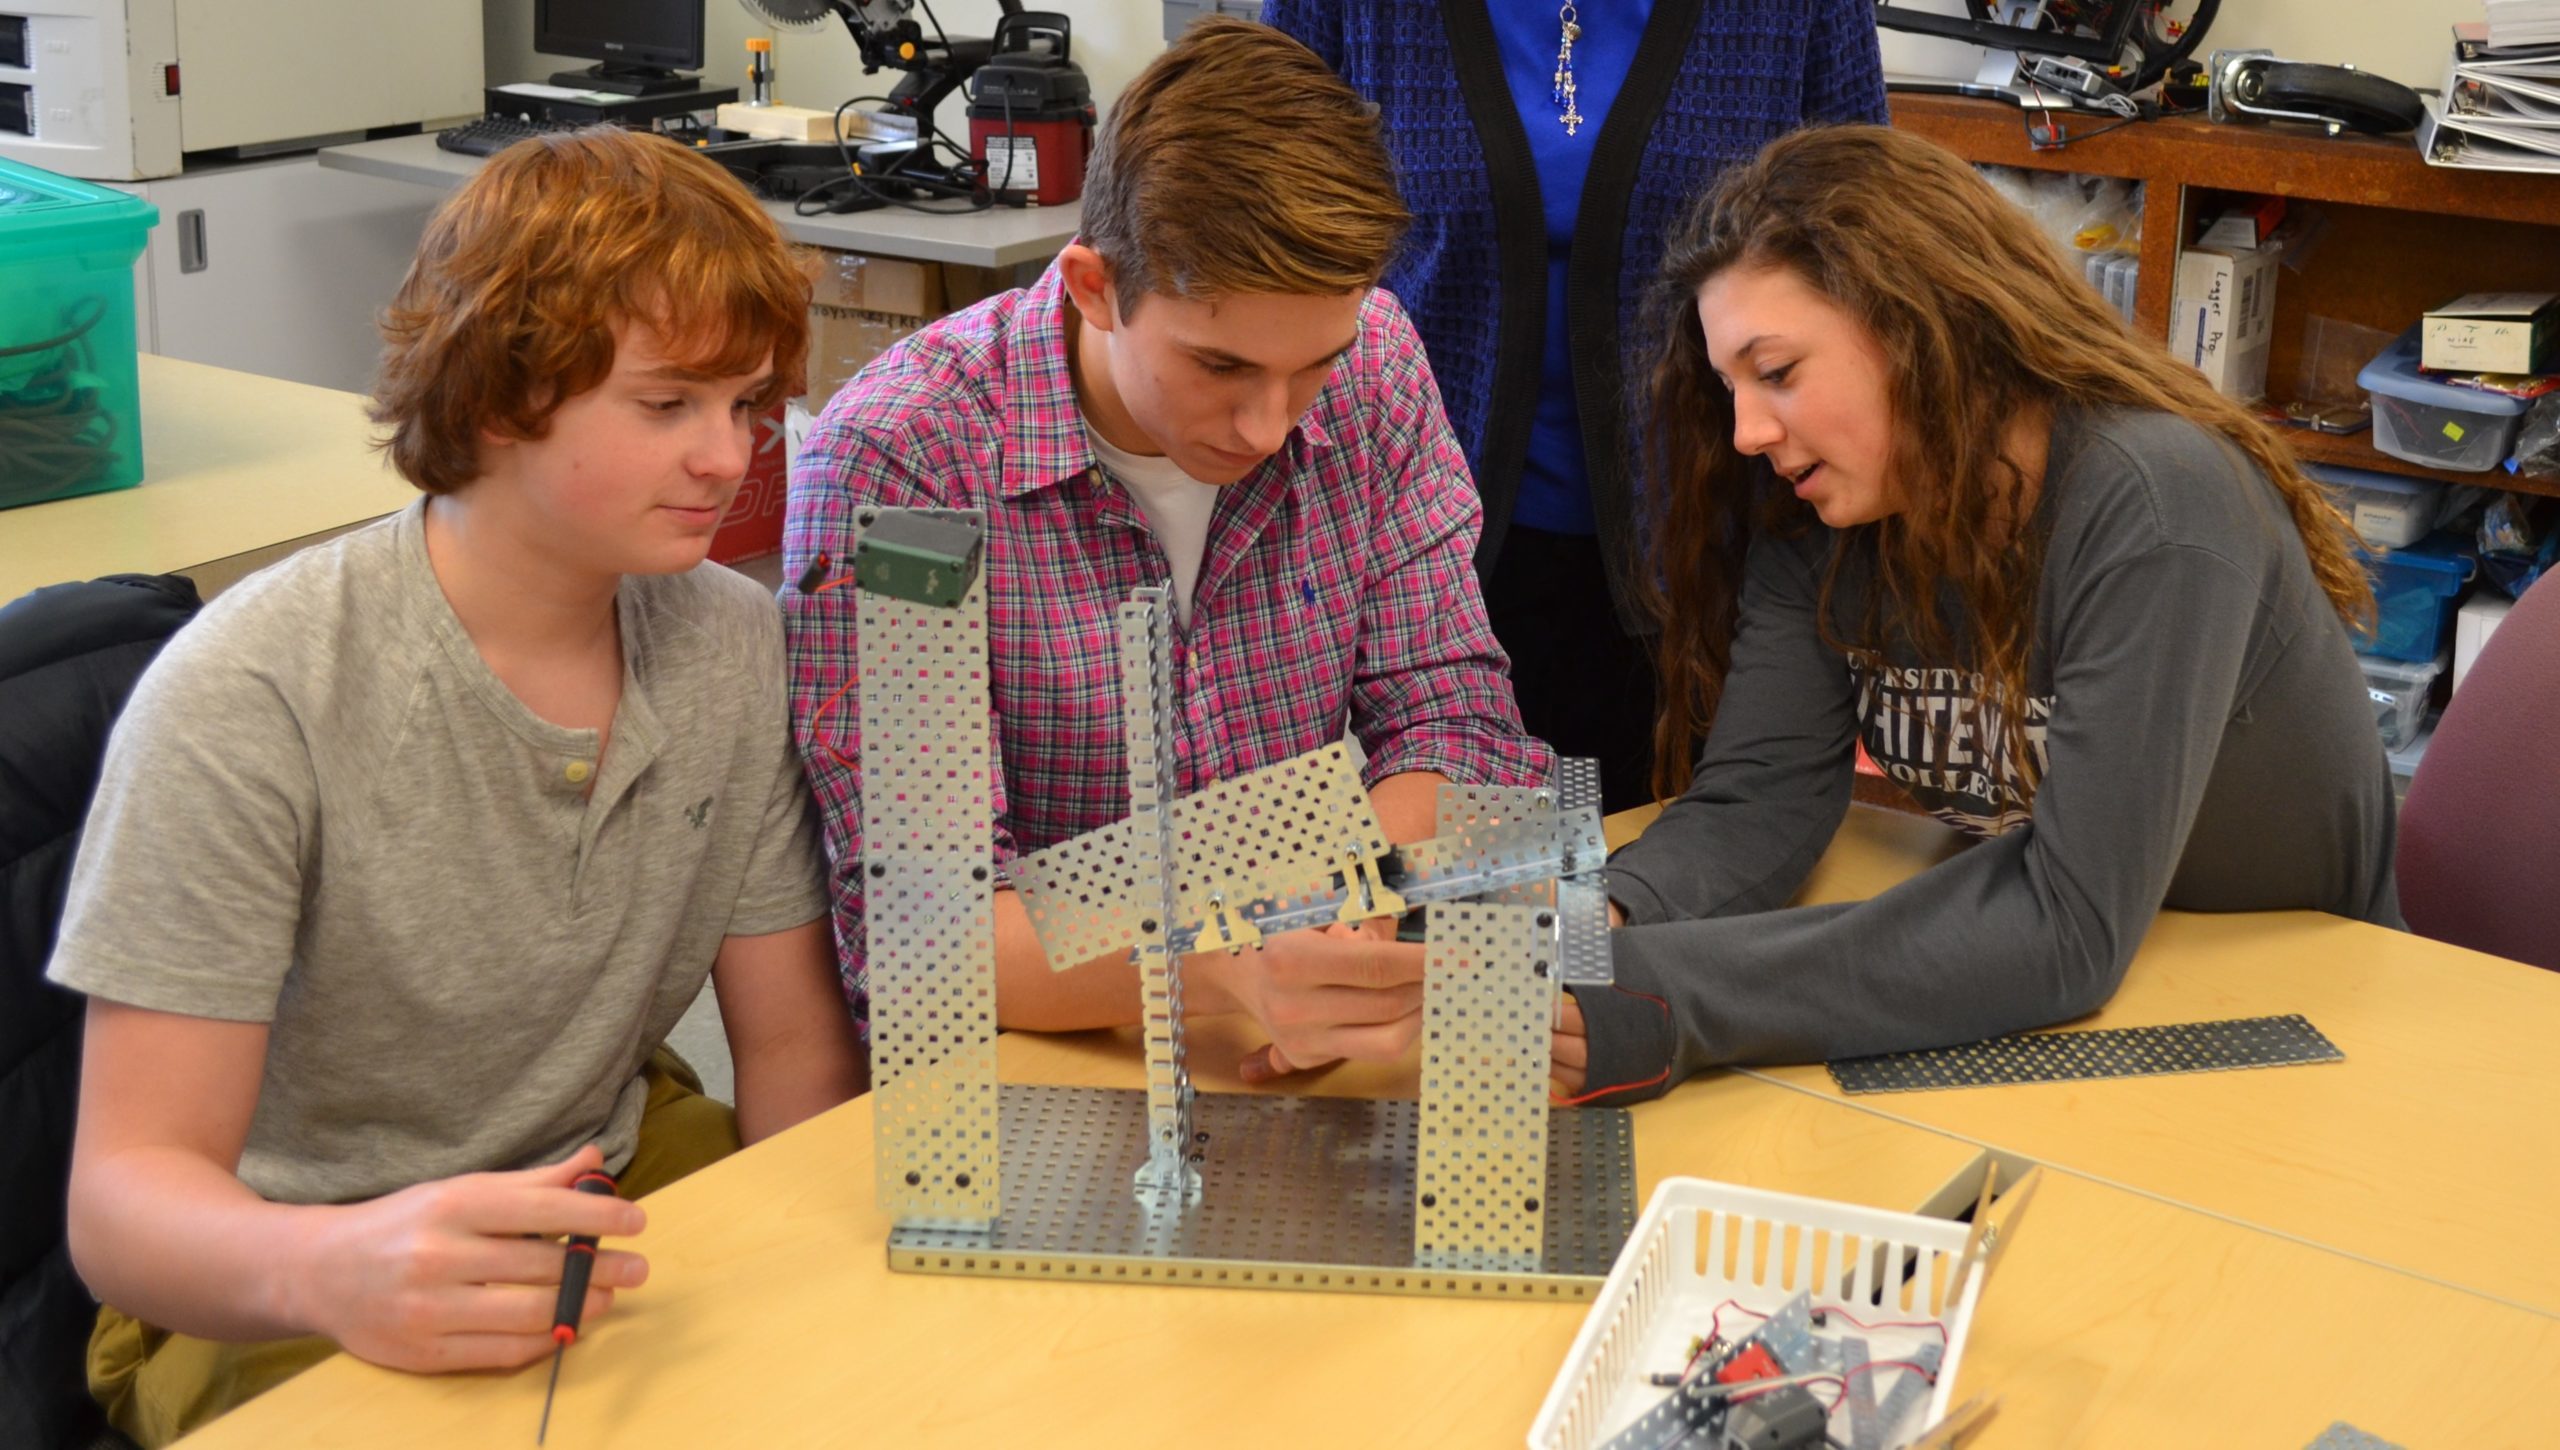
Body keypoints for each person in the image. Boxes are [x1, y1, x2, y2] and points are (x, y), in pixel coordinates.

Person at [48, 128, 868, 1447]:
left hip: (599, 1182)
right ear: (501, 397)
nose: (729, 458)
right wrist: (332, 1267)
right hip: (291, 1265)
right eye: (669, 406)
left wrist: (830, 1303)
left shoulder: (729, 641)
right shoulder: (252, 693)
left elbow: (787, 1053)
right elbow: (124, 1203)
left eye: (749, 406)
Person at [1554, 125, 2401, 1103]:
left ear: (1920, 323)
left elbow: (2064, 921)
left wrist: (1665, 995)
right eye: (1730, 388)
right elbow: (1759, 800)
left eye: (1777, 372)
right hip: (2066, 1022)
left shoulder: (2156, 504)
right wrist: (1591, 921)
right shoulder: (1823, 514)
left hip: (2288, 1026)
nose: (1746, 432)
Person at [785, 18, 1551, 1087]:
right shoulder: (903, 466)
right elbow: (929, 932)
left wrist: (1347, 911)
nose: (1268, 427)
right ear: (1093, 285)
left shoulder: (1375, 358)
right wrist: (1230, 958)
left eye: (1310, 367)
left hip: (1301, 1038)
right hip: (1049, 1068)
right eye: (1219, 365)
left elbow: (1455, 717)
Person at [1264, 0, 1888, 812]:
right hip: (1430, 577)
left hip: (1721, 553)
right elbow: (1258, 211)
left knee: (1685, 882)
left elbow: (1871, 248)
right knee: (1471, 909)